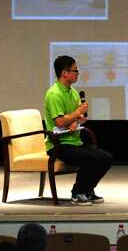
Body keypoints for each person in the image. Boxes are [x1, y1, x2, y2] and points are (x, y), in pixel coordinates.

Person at [44, 55, 114, 206]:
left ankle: (87, 190)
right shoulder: (54, 94)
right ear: (65, 73)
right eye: (75, 70)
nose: (77, 73)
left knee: (106, 157)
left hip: (75, 141)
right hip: (59, 145)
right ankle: (77, 193)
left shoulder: (73, 92)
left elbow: (74, 119)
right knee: (90, 158)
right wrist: (77, 114)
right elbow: (59, 122)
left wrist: (77, 121)